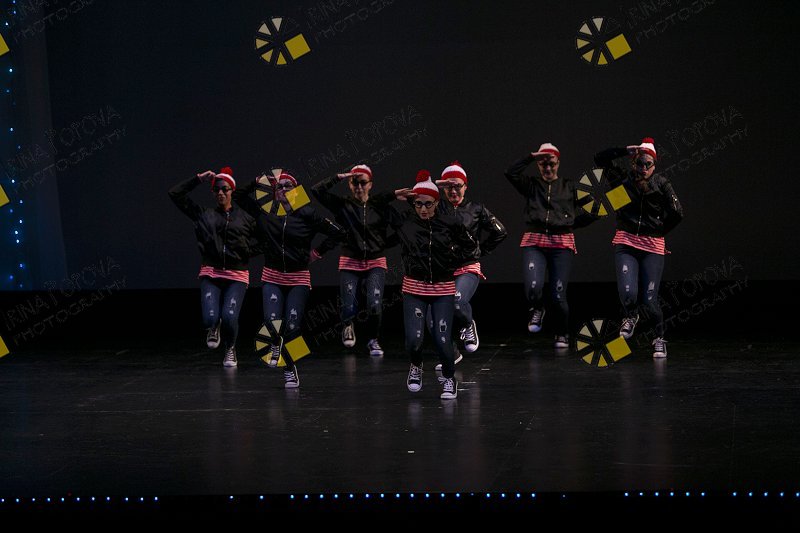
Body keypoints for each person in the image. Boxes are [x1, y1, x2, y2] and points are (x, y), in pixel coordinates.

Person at [234, 170, 347, 387]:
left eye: (289, 186)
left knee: (294, 328)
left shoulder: (307, 213)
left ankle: (290, 367)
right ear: (274, 192)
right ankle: (275, 344)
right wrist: (256, 181)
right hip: (272, 276)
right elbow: (238, 196)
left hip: (298, 278)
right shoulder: (265, 213)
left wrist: (317, 253)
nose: (284, 189)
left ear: (296, 191)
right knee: (271, 323)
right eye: (280, 186)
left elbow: (339, 232)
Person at [594, 137, 683, 358]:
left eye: (648, 164)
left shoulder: (661, 183)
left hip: (652, 246)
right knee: (628, 293)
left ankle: (659, 338)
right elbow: (599, 159)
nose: (644, 168)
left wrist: (659, 232)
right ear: (634, 163)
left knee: (650, 300)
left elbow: (677, 212)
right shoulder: (623, 180)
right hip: (626, 242)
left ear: (654, 165)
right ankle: (630, 316)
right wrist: (626, 150)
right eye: (640, 163)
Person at [505, 143, 599, 348]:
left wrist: (571, 223)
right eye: (543, 164)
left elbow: (595, 209)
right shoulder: (531, 185)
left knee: (558, 293)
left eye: (552, 164)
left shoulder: (570, 186)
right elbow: (510, 173)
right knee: (533, 287)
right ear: (538, 165)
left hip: (561, 244)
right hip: (535, 242)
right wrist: (531, 156)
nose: (547, 168)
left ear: (558, 163)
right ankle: (537, 308)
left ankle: (562, 332)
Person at [391, 170, 475, 400]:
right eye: (418, 204)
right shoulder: (406, 223)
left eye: (428, 204)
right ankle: (416, 364)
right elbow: (377, 206)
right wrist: (393, 195)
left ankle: (449, 378)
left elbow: (470, 247)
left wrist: (450, 260)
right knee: (413, 340)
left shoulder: (449, 223)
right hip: (414, 288)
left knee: (442, 339)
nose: (423, 209)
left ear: (437, 203)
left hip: (442, 288)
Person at [169, 167, 257, 368]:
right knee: (210, 318)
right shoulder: (204, 215)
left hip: (237, 274)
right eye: (216, 189)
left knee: (229, 317)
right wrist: (198, 179)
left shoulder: (245, 218)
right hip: (211, 272)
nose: (220, 192)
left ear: (232, 190)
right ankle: (213, 326)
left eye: (225, 189)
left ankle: (230, 348)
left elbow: (265, 240)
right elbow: (174, 194)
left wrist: (246, 252)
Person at [311, 164, 397, 356]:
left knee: (374, 304)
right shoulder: (342, 204)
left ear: (370, 184)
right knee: (349, 306)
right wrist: (338, 177)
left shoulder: (379, 206)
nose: (359, 187)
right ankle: (348, 324)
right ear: (350, 184)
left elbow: (401, 228)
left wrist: (383, 244)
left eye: (363, 183)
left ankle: (373, 340)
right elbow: (316, 191)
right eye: (354, 183)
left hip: (375, 261)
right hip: (350, 261)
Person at [434, 161, 507, 360]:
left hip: (467, 267)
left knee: (457, 301)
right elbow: (418, 199)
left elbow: (500, 232)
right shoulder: (436, 208)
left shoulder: (476, 209)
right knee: (435, 319)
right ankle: (451, 355)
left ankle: (468, 324)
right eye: (448, 186)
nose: (453, 190)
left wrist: (480, 250)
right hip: (442, 269)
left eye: (457, 186)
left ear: (465, 186)